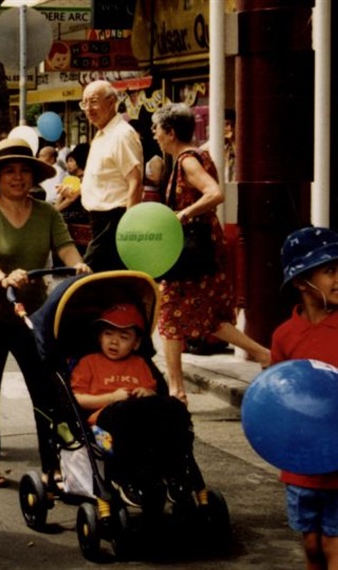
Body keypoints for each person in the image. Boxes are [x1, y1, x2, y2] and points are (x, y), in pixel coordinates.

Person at [0, 137, 91, 487]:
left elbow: (65, 248)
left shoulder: (47, 213)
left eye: (24, 171)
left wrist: (78, 266)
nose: (17, 178)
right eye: (9, 171)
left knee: (47, 387)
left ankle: (55, 461)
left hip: (31, 313)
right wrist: (3, 278)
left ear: (33, 177)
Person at [150, 103, 270, 405]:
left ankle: (177, 391)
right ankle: (264, 354)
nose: (154, 135)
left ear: (171, 132)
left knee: (171, 314)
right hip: (204, 249)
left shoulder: (188, 161)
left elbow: (215, 192)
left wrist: (183, 214)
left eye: (157, 129)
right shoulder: (196, 156)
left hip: (191, 250)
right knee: (212, 316)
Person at [70, 303, 193, 507]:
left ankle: (177, 473)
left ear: (136, 343)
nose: (114, 341)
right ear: (99, 336)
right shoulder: (89, 363)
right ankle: (130, 479)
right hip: (101, 427)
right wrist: (110, 398)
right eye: (108, 333)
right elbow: (76, 399)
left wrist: (148, 393)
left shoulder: (140, 364)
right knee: (122, 414)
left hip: (140, 424)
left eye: (124, 337)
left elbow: (153, 396)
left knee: (173, 408)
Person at [270, 226, 338, 570]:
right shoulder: (285, 336)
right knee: (311, 544)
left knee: (333, 545)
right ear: (300, 281)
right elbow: (276, 397)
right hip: (300, 465)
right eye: (329, 271)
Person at [79, 80, 143, 271]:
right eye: (84, 103)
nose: (88, 109)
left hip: (114, 220)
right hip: (99, 220)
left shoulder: (121, 134)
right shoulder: (102, 134)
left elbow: (135, 182)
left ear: (111, 102)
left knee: (87, 277)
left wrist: (129, 228)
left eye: (94, 102)